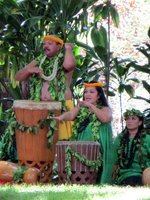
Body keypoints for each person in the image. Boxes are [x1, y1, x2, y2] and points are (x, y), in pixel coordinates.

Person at [15, 35, 76, 140]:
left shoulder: (64, 59)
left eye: (50, 44)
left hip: (62, 107)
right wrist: (29, 70)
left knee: (62, 143)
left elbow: (69, 65)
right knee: (43, 143)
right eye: (44, 44)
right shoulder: (39, 60)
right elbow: (18, 77)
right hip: (41, 108)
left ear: (58, 47)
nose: (45, 46)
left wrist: (68, 49)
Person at [52, 81, 114, 184]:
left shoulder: (105, 109)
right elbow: (71, 115)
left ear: (99, 96)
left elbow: (105, 118)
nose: (87, 94)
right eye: (86, 92)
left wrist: (91, 106)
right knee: (82, 166)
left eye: (91, 92)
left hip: (100, 146)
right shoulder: (81, 108)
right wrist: (60, 117)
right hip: (82, 144)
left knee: (98, 169)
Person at [112, 108, 150, 186]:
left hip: (145, 174)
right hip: (126, 175)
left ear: (140, 122)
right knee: (132, 180)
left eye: (133, 118)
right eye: (127, 119)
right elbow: (114, 162)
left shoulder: (147, 139)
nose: (129, 121)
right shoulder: (119, 139)